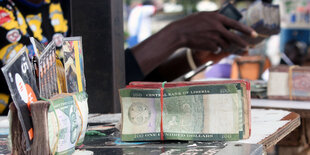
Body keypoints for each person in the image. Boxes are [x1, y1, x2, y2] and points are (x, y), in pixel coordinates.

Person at [0, 0, 257, 115]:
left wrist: (194, 56)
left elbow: (118, 81)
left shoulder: (68, 5)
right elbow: (46, 92)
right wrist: (178, 34)